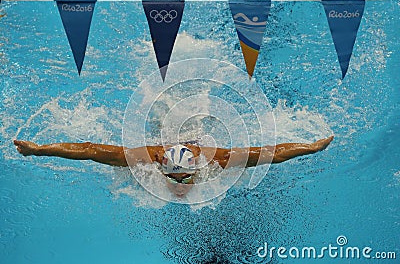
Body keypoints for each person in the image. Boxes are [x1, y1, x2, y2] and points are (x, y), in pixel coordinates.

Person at [14, 136, 333, 197]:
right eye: (176, 180)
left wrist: (313, 146)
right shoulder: (144, 158)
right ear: (162, 169)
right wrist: (38, 150)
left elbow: (271, 152)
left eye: (185, 180)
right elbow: (88, 150)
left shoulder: (219, 161)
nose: (180, 187)